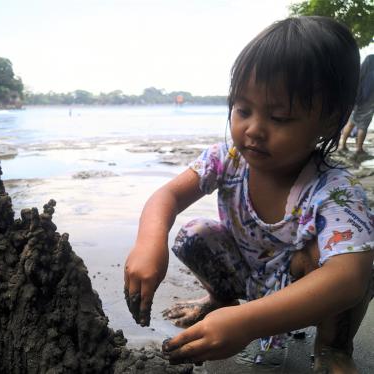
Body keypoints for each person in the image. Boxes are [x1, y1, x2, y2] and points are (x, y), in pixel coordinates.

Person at [124, 16, 373, 372]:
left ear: (330, 120)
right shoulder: (228, 159)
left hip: (310, 295)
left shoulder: (335, 192)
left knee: (344, 259)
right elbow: (167, 196)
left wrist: (247, 324)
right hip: (251, 275)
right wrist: (150, 242)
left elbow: (349, 279)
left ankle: (333, 348)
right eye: (243, 110)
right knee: (194, 233)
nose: (254, 129)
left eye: (280, 118)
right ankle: (220, 302)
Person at [339, 55, 374, 156]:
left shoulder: (361, 73)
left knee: (351, 123)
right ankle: (359, 149)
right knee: (363, 126)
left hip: (357, 103)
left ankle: (342, 145)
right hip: (367, 105)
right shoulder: (372, 75)